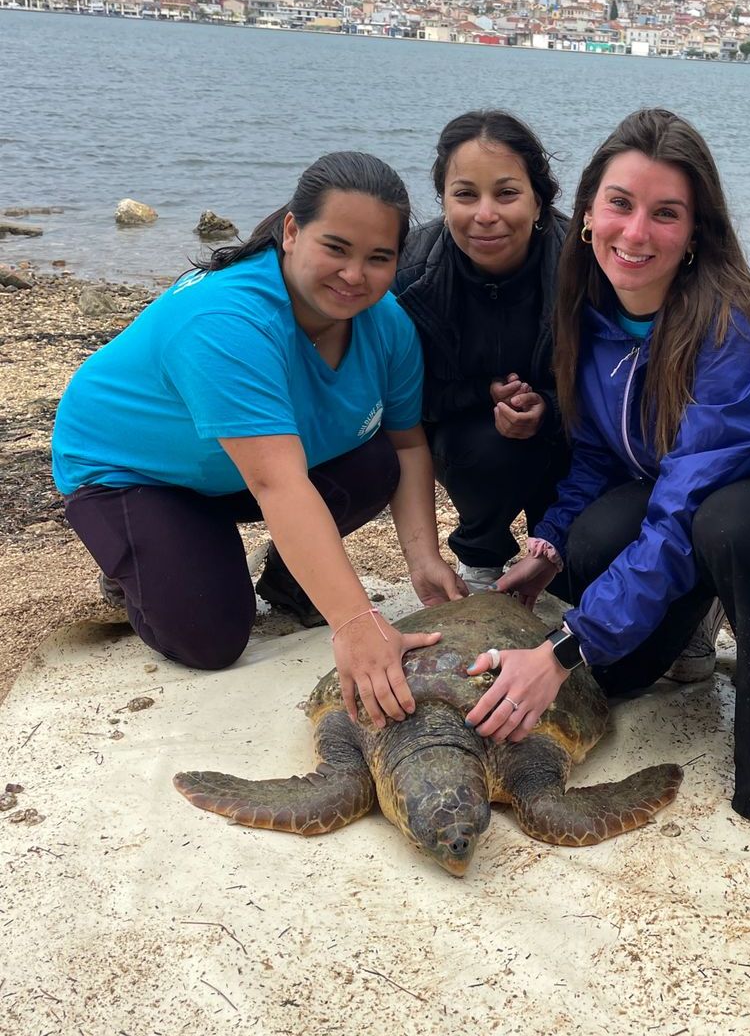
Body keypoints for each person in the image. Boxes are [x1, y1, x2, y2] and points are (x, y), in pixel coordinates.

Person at [462, 108, 750, 822]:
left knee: (679, 570)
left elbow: (680, 517)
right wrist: (546, 549)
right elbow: (596, 453)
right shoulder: (591, 309)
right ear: (586, 213)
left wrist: (559, 652)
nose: (636, 232)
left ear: (695, 233)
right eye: (620, 203)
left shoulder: (731, 329)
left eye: (666, 214)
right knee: (593, 566)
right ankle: (697, 609)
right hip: (704, 501)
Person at [52, 151, 466, 729]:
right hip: (135, 474)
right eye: (337, 248)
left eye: (379, 258)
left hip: (247, 470)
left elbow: (407, 444)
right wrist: (355, 624)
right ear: (292, 231)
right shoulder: (227, 320)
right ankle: (145, 559)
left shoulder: (387, 324)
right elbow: (277, 482)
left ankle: (290, 582)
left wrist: (424, 559)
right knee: (208, 641)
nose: (354, 276)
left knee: (374, 464)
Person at [392, 111, 570, 592]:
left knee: (577, 582)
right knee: (484, 446)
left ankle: (560, 548)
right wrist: (482, 393)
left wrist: (548, 408)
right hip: (468, 442)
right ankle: (482, 553)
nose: (485, 214)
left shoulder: (585, 268)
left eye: (506, 193)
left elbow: (616, 385)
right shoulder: (410, 273)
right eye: (465, 194)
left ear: (538, 200)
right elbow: (402, 400)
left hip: (570, 442)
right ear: (444, 201)